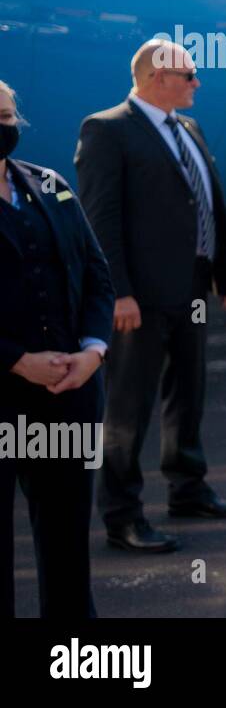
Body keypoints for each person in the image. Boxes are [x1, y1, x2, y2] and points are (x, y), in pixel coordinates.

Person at [75, 41, 226, 554]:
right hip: (140, 299)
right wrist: (118, 293)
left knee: (187, 394)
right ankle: (123, 515)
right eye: (189, 74)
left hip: (190, 288)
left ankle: (188, 489)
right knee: (127, 409)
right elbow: (99, 220)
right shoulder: (107, 130)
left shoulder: (186, 127)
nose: (197, 83)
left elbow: (210, 203)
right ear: (156, 76)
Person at [0, 80, 114, 616]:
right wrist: (18, 360)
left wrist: (93, 350)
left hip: (66, 398)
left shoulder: (51, 185)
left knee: (67, 545)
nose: (4, 128)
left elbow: (96, 273)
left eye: (7, 117)